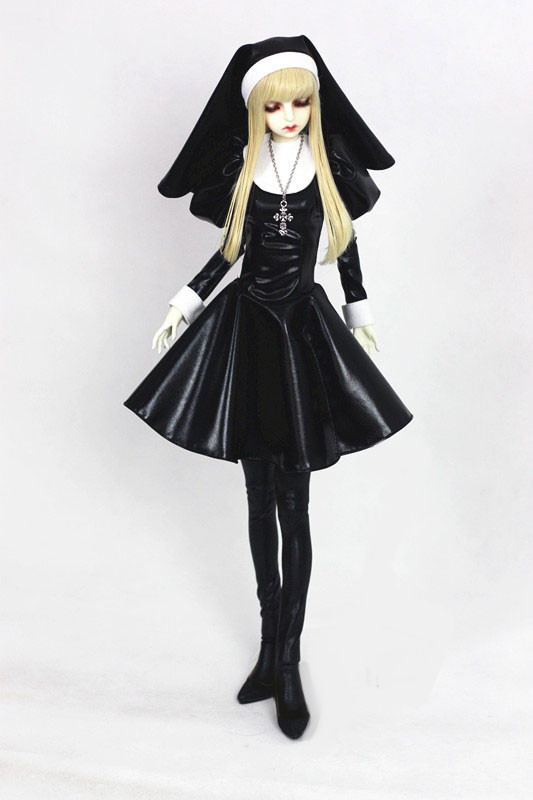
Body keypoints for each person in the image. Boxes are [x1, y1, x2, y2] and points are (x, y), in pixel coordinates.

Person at [123, 35, 413, 739]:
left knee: (294, 504)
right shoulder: (244, 171)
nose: (289, 116)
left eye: (300, 103)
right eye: (275, 106)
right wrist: (183, 302)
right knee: (258, 499)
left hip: (301, 333)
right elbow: (228, 253)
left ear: (315, 104)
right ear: (256, 110)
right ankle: (266, 650)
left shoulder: (328, 168)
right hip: (248, 330)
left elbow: (345, 247)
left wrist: (359, 312)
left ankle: (288, 661)